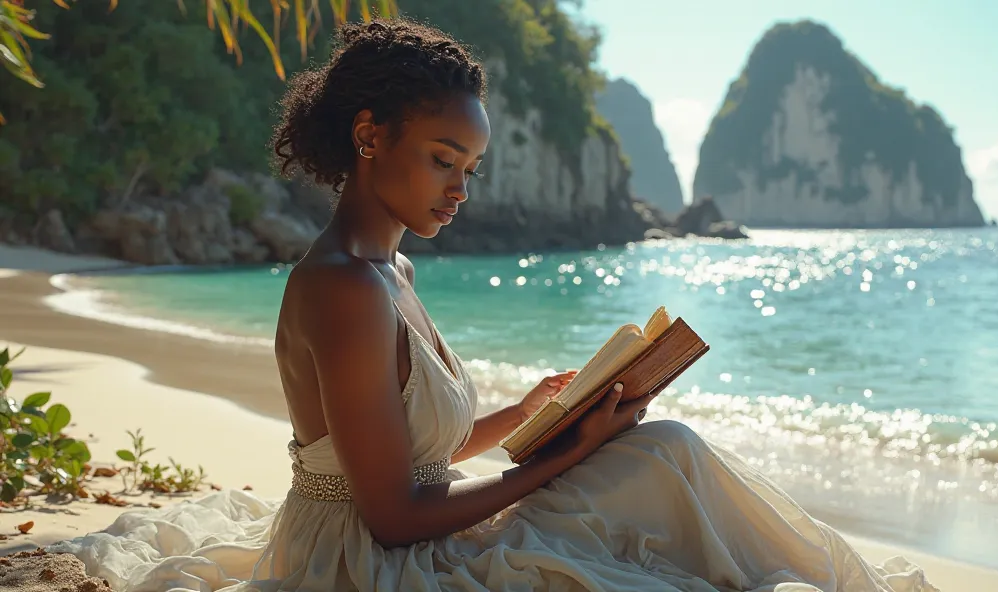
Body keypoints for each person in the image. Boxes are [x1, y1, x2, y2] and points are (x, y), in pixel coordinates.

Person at [49, 18, 937, 592]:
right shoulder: (345, 288)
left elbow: (413, 449)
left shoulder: (386, 272)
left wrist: (539, 411)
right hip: (369, 564)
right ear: (369, 135)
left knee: (663, 450)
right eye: (443, 159)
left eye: (470, 170)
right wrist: (562, 457)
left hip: (404, 529)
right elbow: (394, 514)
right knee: (666, 464)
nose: (460, 190)